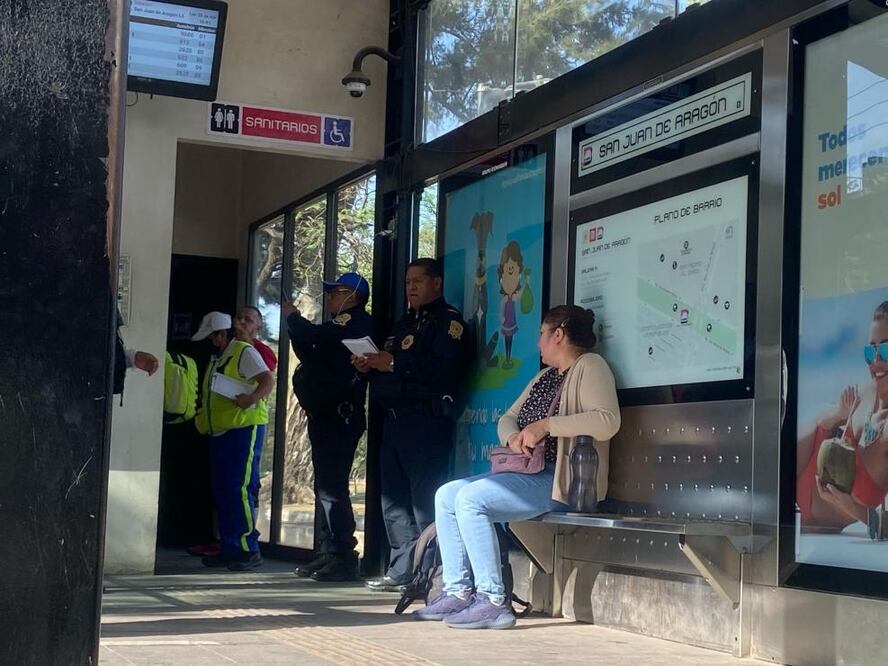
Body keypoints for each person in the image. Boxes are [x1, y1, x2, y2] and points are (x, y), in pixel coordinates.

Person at [415, 305, 620, 629]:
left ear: (558, 335)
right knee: (446, 494)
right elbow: (508, 417)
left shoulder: (591, 366)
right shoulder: (545, 377)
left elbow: (608, 422)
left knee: (470, 499)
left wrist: (547, 425)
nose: (538, 343)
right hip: (526, 472)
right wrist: (513, 437)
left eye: (541, 334)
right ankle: (457, 591)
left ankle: (493, 601)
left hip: (559, 479)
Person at [354, 258, 473, 591]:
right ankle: (402, 569)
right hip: (392, 422)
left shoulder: (449, 323)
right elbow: (391, 362)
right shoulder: (402, 324)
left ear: (436, 283)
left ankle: (430, 574)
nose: (411, 287)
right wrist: (370, 364)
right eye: (407, 282)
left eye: (418, 281)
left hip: (426, 422)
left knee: (425, 502)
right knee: (392, 502)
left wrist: (392, 363)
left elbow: (443, 369)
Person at [283, 272, 373, 581]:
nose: (331, 297)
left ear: (353, 294)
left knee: (333, 488)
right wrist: (295, 328)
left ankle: (343, 556)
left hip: (340, 416)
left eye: (336, 292)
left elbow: (315, 337)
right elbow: (310, 352)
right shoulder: (336, 326)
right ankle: (327, 551)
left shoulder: (354, 322)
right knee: (324, 487)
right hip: (323, 415)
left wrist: (294, 318)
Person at [192, 311, 274, 570]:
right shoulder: (221, 357)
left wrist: (251, 399)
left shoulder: (243, 352)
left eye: (213, 336)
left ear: (221, 333)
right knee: (225, 491)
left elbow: (267, 380)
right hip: (221, 432)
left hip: (243, 429)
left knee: (239, 489)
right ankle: (230, 547)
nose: (212, 342)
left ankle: (248, 549)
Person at [798, 301, 888, 531]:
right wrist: (838, 413)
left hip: (814, 517)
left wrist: (849, 506)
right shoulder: (865, 390)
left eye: (886, 350)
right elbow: (822, 421)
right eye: (871, 351)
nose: (876, 361)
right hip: (800, 462)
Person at [234, 305, 278, 372]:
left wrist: (246, 340)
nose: (242, 321)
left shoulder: (263, 350)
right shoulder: (225, 342)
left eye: (248, 320)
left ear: (259, 326)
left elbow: (268, 373)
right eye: (239, 318)